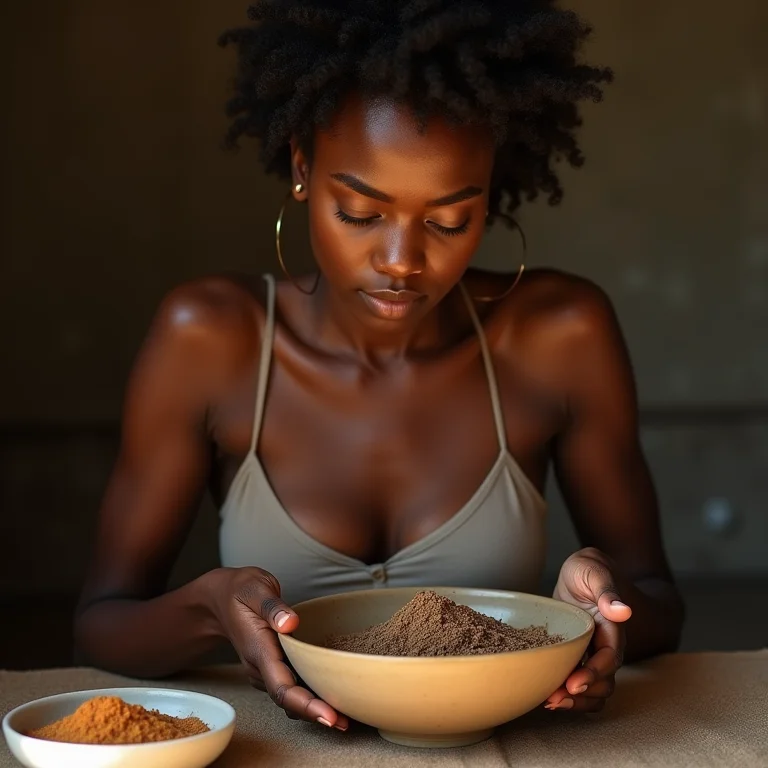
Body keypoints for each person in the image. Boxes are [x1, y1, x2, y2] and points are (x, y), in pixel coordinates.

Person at [74, 0, 685, 732]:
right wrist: (208, 608)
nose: (402, 260)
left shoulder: (558, 334)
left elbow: (657, 603)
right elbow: (101, 623)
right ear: (302, 167)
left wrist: (603, 611)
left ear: (492, 195)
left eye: (450, 221)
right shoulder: (210, 340)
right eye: (361, 213)